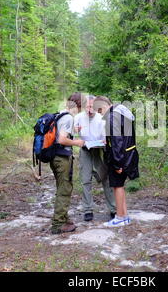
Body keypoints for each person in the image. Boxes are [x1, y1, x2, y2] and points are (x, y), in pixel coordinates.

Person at [94, 96, 139, 227]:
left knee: (117, 186)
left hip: (121, 158)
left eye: (99, 110)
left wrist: (117, 163)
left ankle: (119, 217)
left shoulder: (112, 118)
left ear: (102, 106)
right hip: (129, 154)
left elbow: (117, 142)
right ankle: (124, 216)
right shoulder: (121, 113)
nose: (99, 113)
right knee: (120, 186)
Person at [74, 95, 116, 222]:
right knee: (85, 180)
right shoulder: (78, 118)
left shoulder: (101, 118)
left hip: (99, 150)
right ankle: (87, 209)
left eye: (91, 106)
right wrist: (75, 131)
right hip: (85, 150)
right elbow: (72, 135)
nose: (89, 109)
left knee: (105, 179)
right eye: (87, 106)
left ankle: (113, 208)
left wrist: (104, 139)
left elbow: (106, 137)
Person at [50, 92, 85, 234]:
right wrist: (77, 142)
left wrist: (74, 132)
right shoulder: (69, 118)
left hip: (54, 156)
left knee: (61, 187)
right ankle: (58, 224)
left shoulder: (60, 114)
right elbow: (62, 139)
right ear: (79, 105)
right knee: (64, 190)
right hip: (62, 158)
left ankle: (63, 218)